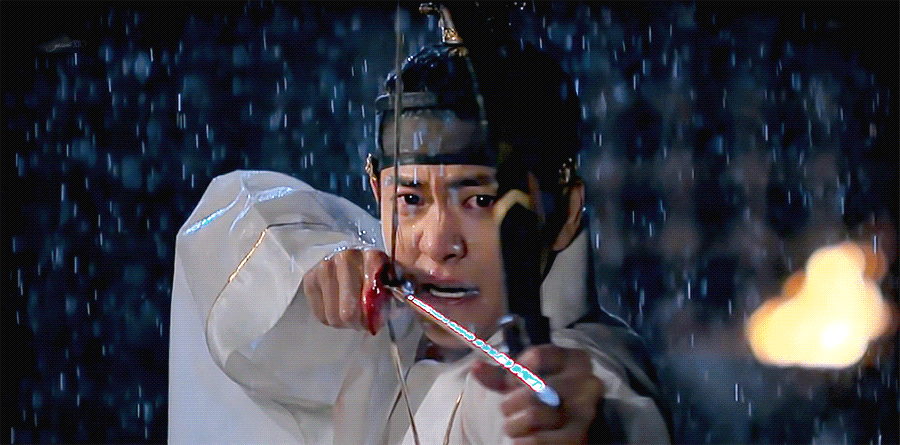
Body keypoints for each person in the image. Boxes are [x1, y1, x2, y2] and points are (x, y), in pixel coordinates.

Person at [169, 5, 670, 443]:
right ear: (375, 192)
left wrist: (574, 425)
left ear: (564, 213)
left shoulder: (590, 364)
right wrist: (318, 264)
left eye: (480, 200)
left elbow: (560, 407)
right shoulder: (392, 332)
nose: (436, 243)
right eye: (410, 199)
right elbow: (226, 223)